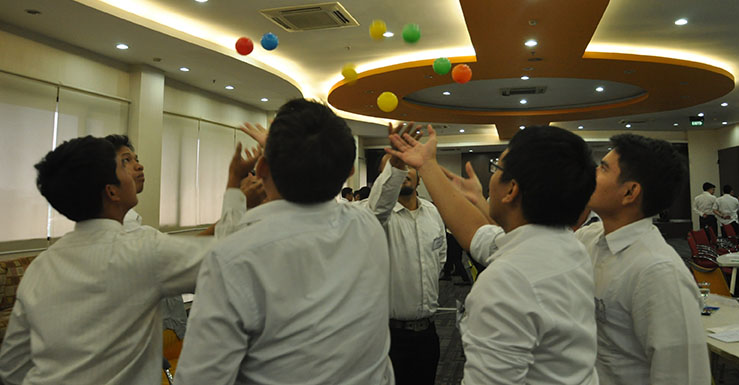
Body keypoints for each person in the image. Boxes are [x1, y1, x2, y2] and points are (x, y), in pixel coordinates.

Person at [174, 99, 405, 385]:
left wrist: (279, 158)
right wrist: (294, 153)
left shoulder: (233, 258)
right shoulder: (368, 228)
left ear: (260, 168)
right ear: (349, 172)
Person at [0, 135, 249, 385]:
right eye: (123, 164)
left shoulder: (40, 267)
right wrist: (235, 187)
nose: (135, 168)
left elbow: (12, 368)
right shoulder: (142, 249)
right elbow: (227, 259)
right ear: (112, 192)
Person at [387, 125, 599, 385]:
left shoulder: (507, 281)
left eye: (496, 168)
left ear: (511, 190)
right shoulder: (568, 246)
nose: (491, 178)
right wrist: (427, 165)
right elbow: (477, 234)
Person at [575, 134, 710, 384]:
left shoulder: (658, 271)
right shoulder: (589, 237)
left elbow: (683, 375)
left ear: (630, 192)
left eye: (603, 168)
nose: (592, 174)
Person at [375, 130, 446, 385]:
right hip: (388, 336)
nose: (403, 171)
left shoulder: (432, 212)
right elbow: (377, 209)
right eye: (394, 168)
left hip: (428, 332)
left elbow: (440, 258)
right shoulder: (374, 217)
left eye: (408, 165)